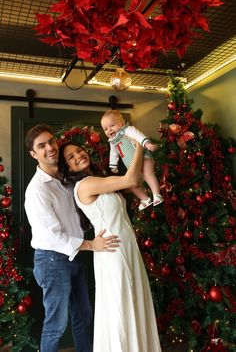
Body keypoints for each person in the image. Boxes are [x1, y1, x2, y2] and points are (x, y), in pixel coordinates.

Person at [58, 138, 162, 352]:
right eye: (71, 157)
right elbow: (131, 178)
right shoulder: (85, 185)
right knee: (121, 308)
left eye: (79, 150)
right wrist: (139, 145)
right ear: (67, 167)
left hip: (127, 248)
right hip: (114, 252)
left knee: (134, 302)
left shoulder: (98, 179)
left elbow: (134, 183)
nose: (79, 155)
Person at [24, 124, 120, 352]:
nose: (49, 148)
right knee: (56, 325)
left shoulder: (66, 179)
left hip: (74, 256)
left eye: (51, 141)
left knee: (83, 317)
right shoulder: (37, 190)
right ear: (33, 154)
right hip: (52, 260)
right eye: (41, 145)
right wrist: (92, 245)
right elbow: (53, 236)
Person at [101, 109, 163, 210]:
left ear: (121, 123)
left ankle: (157, 194)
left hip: (144, 157)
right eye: (105, 129)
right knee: (132, 183)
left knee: (148, 174)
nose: (109, 130)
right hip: (132, 165)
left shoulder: (128, 130)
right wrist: (113, 165)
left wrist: (147, 144)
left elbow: (138, 136)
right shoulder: (112, 141)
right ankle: (145, 199)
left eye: (112, 125)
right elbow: (113, 154)